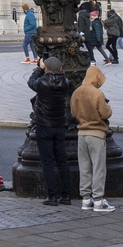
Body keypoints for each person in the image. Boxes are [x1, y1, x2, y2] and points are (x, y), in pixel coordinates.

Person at [27, 56, 72, 206]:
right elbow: (62, 76)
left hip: (44, 126)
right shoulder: (65, 83)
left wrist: (39, 68)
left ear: (46, 69)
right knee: (61, 161)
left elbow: (30, 81)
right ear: (60, 69)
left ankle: (52, 196)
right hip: (59, 126)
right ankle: (66, 195)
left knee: (47, 162)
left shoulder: (42, 83)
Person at [70, 65, 115, 213]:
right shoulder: (98, 94)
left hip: (81, 134)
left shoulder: (76, 92)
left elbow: (73, 113)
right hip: (96, 133)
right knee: (98, 167)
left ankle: (85, 198)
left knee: (84, 167)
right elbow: (105, 113)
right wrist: (108, 108)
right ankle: (98, 200)